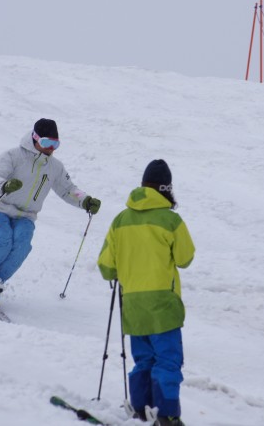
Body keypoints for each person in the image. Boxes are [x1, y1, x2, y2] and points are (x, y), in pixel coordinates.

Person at [0, 118, 101, 308]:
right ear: (35, 138)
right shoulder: (13, 156)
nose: (51, 148)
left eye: (55, 144)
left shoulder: (54, 167)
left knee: (22, 246)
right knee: (1, 242)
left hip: (26, 215)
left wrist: (85, 200)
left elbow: (67, 189)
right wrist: (4, 185)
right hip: (0, 207)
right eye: (47, 143)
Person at [97, 159, 195, 426]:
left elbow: (106, 266)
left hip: (133, 305)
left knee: (144, 359)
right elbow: (186, 258)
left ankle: (141, 409)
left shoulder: (120, 220)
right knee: (168, 360)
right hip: (162, 304)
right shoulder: (170, 220)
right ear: (167, 188)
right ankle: (166, 415)